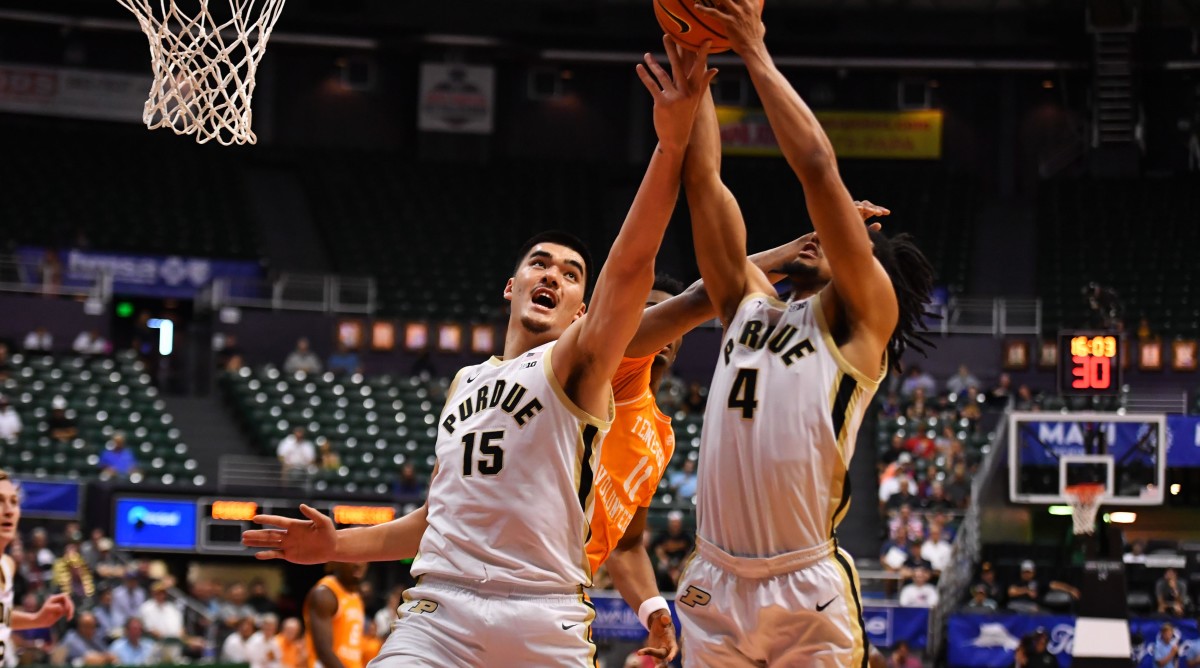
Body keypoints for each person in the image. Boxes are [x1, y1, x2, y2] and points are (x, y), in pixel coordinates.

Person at [244, 38, 717, 666]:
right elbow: (434, 520)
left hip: (544, 612)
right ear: (511, 285)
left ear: (584, 309)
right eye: (539, 264)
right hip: (441, 611)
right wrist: (341, 544)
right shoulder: (466, 381)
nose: (552, 275)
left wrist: (671, 147)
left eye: (572, 273)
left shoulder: (578, 364)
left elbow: (632, 267)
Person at [671, 1, 936, 662]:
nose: (834, 230)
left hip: (804, 583)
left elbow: (818, 171)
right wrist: (698, 67)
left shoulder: (864, 320)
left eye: (853, 232)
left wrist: (753, 49)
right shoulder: (749, 303)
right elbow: (703, 183)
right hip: (713, 578)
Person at [0, 469, 76, 666]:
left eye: (14, 502)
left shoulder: (7, 566)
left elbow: (2, 616)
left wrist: (36, 620)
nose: (8, 510)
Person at [304, 563, 366, 668]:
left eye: (363, 558)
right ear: (336, 561)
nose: (358, 563)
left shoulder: (356, 595)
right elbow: (324, 651)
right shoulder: (324, 594)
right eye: (353, 557)